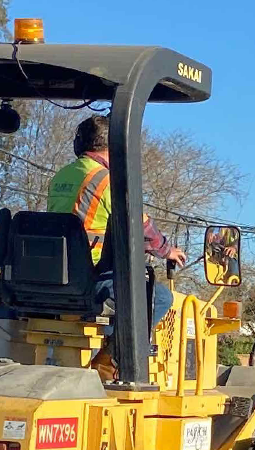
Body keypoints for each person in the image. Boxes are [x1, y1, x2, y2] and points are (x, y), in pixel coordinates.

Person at [48, 115, 187, 324]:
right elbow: (140, 226)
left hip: (56, 274)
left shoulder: (61, 176)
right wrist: (168, 251)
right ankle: (114, 353)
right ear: (115, 145)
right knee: (160, 298)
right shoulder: (106, 180)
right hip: (89, 276)